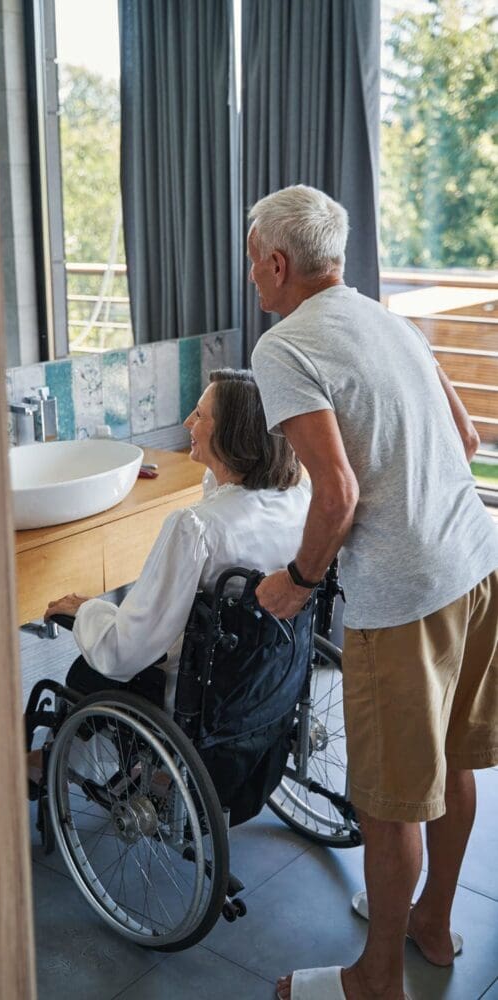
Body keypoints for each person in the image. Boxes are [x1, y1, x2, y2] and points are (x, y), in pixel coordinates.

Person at [247, 184, 498, 1000]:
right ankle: (430, 921)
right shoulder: (386, 318)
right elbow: (462, 439)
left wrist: (298, 580)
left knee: (388, 805)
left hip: (403, 597)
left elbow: (336, 495)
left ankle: (374, 979)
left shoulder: (283, 346)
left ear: (277, 263)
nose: (254, 278)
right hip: (477, 563)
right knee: (453, 762)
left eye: (254, 263)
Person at [42, 368, 310, 714]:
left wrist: (87, 611)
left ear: (230, 432)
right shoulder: (301, 498)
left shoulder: (196, 527)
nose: (187, 422)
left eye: (199, 415)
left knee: (83, 675)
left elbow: (125, 651)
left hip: (201, 694)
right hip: (266, 688)